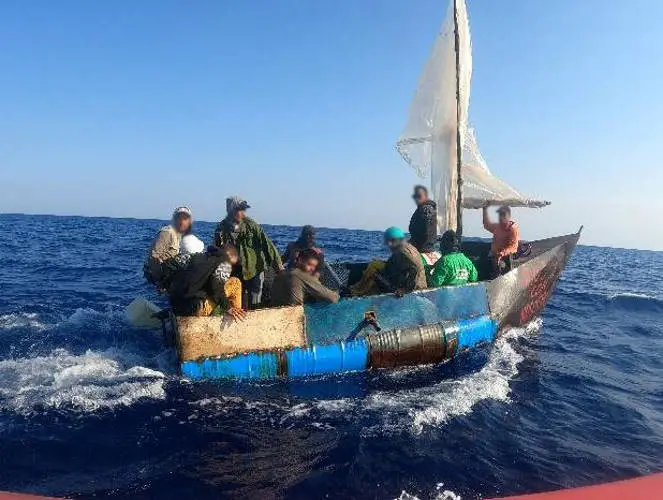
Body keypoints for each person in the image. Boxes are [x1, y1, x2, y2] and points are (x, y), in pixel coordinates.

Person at [214, 196, 284, 309]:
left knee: (255, 301)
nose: (242, 212)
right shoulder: (222, 228)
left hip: (254, 269)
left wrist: (278, 266)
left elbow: (268, 245)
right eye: (239, 209)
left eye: (243, 209)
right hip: (235, 270)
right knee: (236, 301)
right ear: (230, 211)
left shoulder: (251, 225)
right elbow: (217, 250)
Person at [168, 244, 245, 320]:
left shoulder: (200, 257)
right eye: (232, 264)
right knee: (235, 282)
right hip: (197, 308)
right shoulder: (225, 262)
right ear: (230, 257)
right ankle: (237, 315)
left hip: (177, 307)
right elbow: (216, 288)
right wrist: (228, 307)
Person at [144, 206, 193, 290]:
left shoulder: (179, 233)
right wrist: (161, 281)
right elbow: (153, 258)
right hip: (162, 274)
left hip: (171, 270)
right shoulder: (167, 233)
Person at [270, 249, 340, 307]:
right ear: (300, 260)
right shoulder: (301, 275)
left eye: (314, 267)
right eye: (309, 264)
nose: (312, 269)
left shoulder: (283, 273)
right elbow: (332, 298)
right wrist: (338, 294)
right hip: (291, 317)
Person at [376, 226, 427, 294]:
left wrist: (405, 290)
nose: (389, 244)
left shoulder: (400, 252)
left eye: (390, 241)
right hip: (422, 287)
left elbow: (413, 269)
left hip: (412, 291)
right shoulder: (411, 248)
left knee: (376, 274)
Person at [482, 205, 520, 277]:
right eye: (500, 215)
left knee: (500, 268)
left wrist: (502, 253)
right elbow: (487, 225)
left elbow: (513, 246)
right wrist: (485, 210)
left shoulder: (513, 229)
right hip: (493, 256)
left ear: (508, 216)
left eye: (503, 215)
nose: (500, 217)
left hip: (506, 258)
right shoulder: (498, 226)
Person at [409, 185, 438, 254]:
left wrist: (413, 246)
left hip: (423, 249)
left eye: (419, 196)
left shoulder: (426, 209)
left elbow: (426, 232)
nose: (416, 199)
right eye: (415, 196)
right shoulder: (421, 209)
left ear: (425, 196)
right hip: (421, 247)